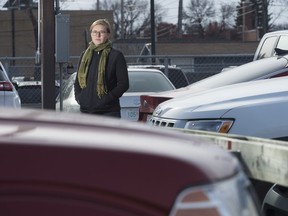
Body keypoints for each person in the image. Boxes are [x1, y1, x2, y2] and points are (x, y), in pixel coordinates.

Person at [74, 19, 129, 118]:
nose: (98, 35)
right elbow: (77, 81)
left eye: (102, 32)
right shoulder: (84, 55)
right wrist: (80, 98)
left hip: (108, 112)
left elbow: (124, 84)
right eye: (95, 32)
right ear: (91, 34)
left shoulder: (116, 56)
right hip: (86, 112)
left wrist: (106, 99)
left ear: (108, 34)